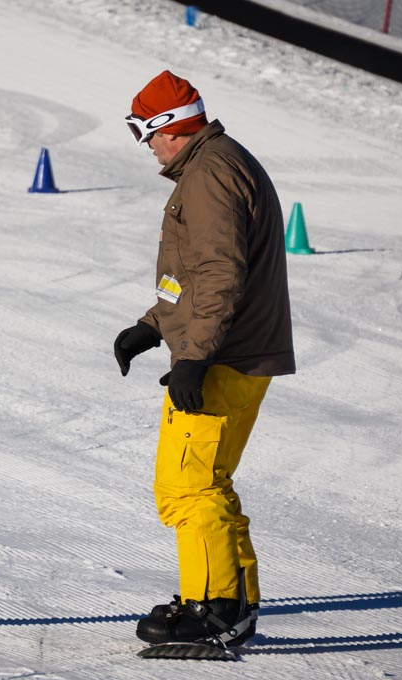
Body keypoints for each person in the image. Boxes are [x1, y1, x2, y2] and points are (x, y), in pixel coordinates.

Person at [113, 71, 294, 648]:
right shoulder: (218, 162)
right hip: (237, 352)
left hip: (223, 356)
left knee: (187, 486)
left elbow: (219, 274)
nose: (146, 147)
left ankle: (213, 608)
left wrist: (192, 356)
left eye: (145, 133)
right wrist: (152, 324)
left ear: (169, 127)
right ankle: (235, 603)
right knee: (210, 482)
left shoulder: (209, 174)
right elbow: (191, 276)